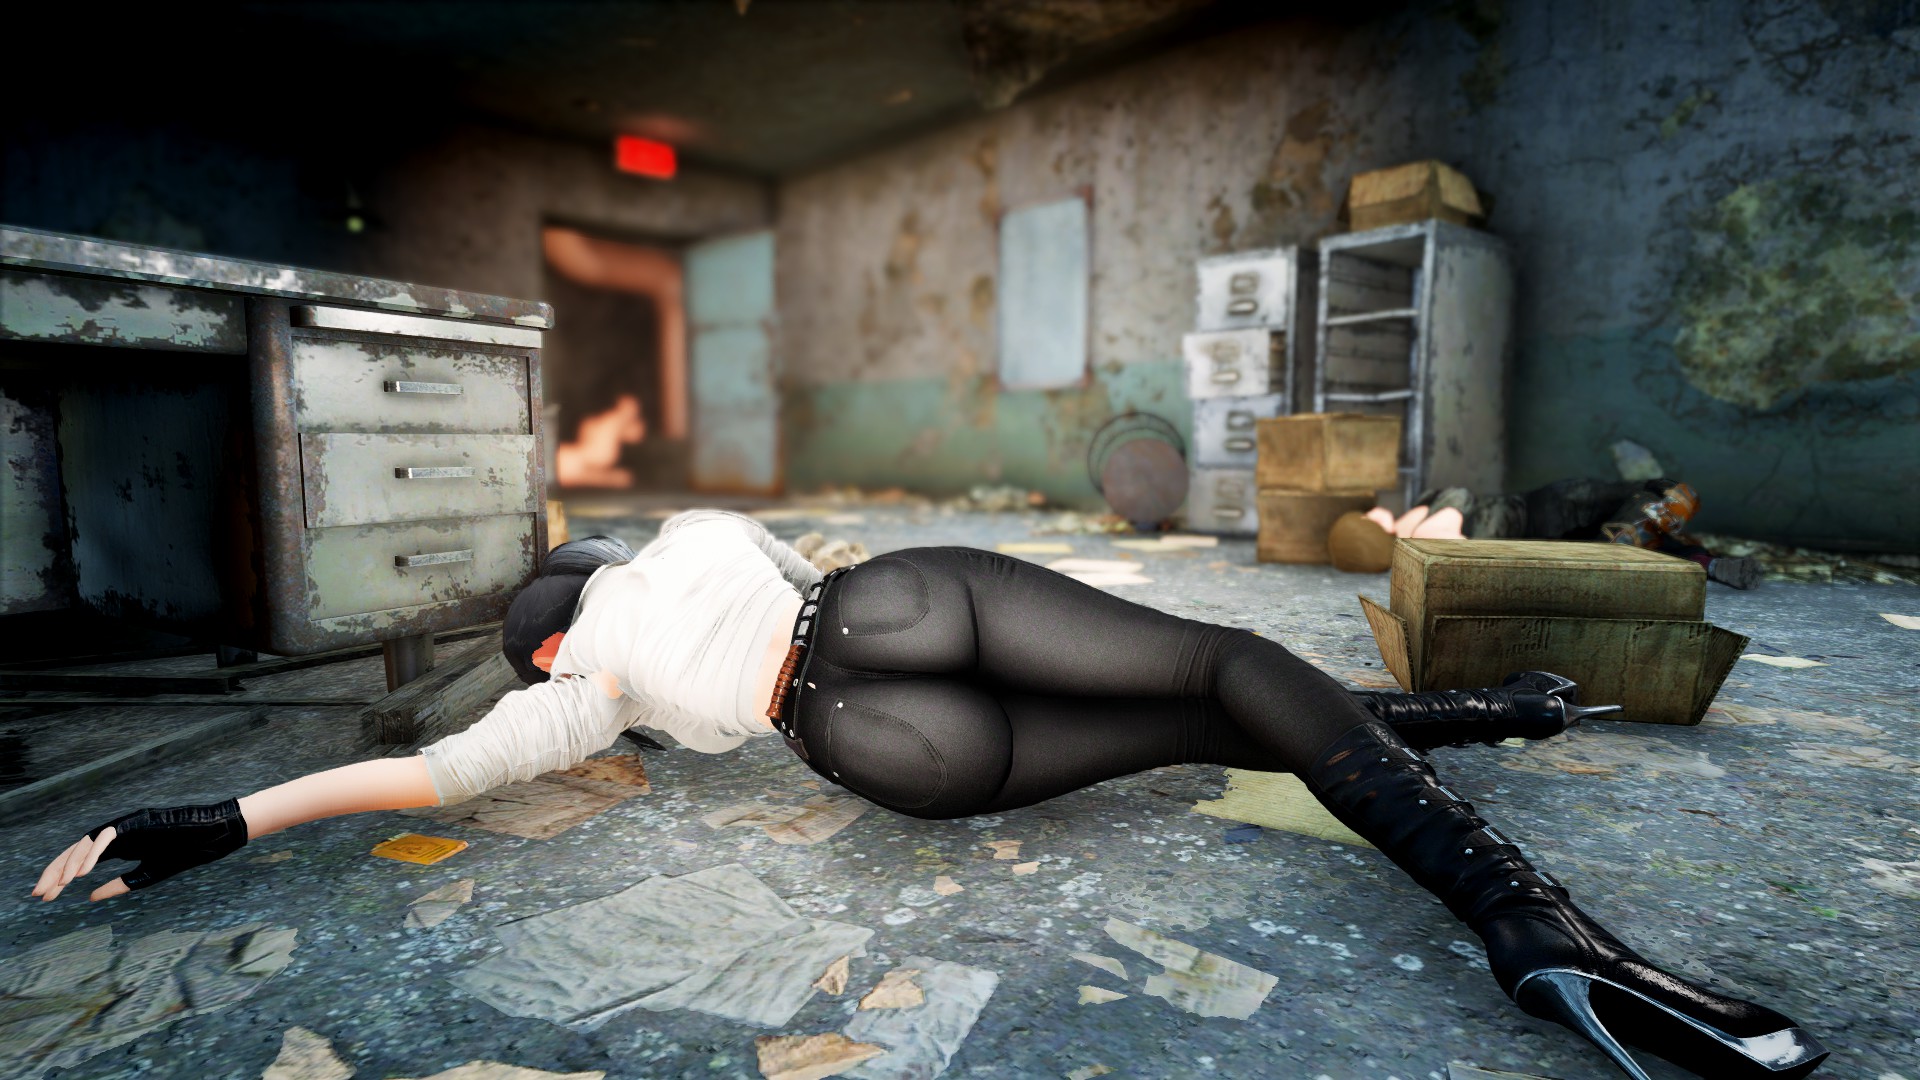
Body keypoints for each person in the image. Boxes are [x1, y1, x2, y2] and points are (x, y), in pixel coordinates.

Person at [30, 511, 1826, 1080]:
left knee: (1204, 719)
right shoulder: (680, 543)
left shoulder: (578, 702)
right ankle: (1527, 911)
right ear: (584, 589)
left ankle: (1485, 727)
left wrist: (224, 818)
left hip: (878, 753)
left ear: (548, 651)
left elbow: (415, 773)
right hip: (886, 610)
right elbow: (767, 567)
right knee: (1214, 668)